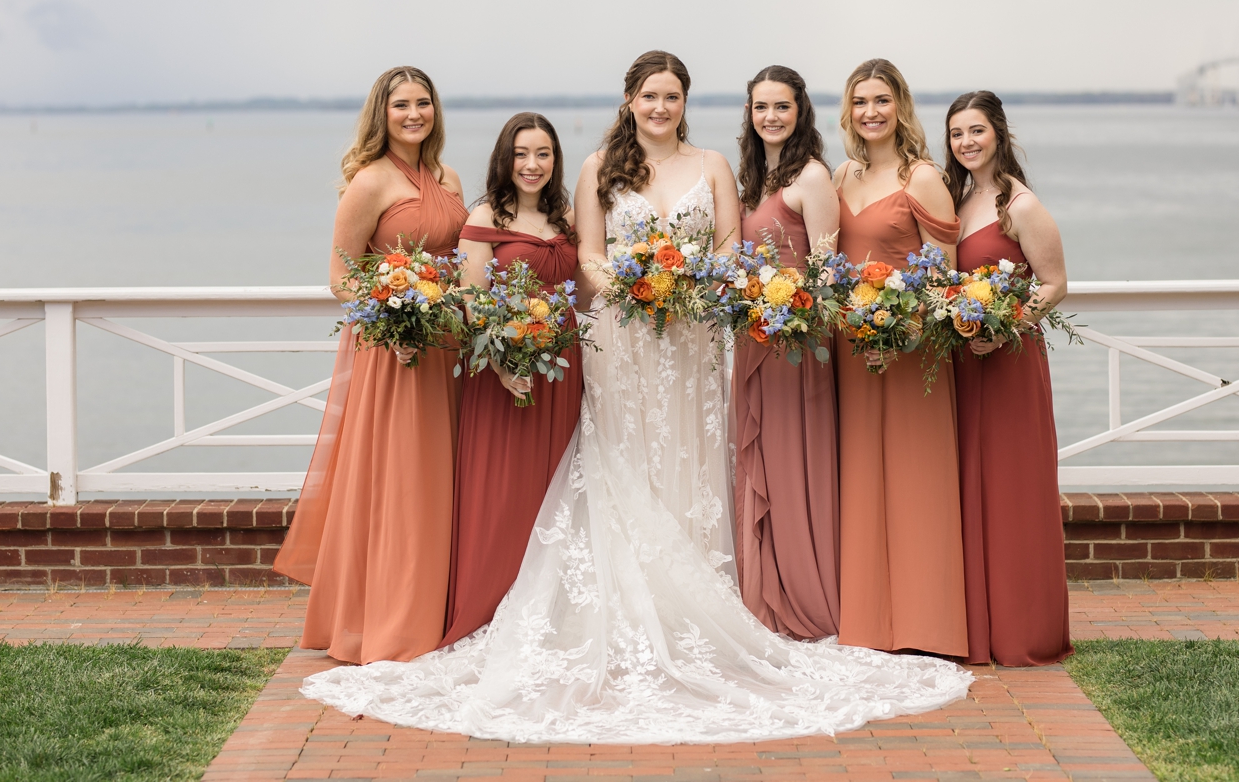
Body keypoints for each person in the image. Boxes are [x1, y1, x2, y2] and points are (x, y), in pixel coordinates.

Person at [296, 51, 971, 744]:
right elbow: (587, 257)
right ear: (629, 99)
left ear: (685, 102)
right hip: (623, 338)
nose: (660, 107)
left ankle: (702, 601)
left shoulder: (712, 165)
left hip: (695, 338)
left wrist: (686, 286)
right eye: (649, 95)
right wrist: (634, 283)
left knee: (696, 463)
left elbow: (733, 248)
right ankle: (625, 603)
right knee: (622, 459)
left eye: (672, 96)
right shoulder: (595, 169)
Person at [274, 65, 467, 665]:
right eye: (402, 105)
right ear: (381, 114)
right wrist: (394, 315)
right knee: (400, 478)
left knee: (446, 475)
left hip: (447, 346)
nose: (414, 114)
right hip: (396, 351)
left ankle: (440, 611)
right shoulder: (369, 182)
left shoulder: (448, 176)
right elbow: (340, 277)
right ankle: (385, 619)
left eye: (424, 103)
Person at [833, 58, 968, 658]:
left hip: (910, 350)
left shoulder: (924, 178)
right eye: (860, 101)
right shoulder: (842, 176)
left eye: (881, 100)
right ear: (848, 110)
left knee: (916, 474)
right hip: (852, 346)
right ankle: (866, 619)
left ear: (900, 106)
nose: (870, 112)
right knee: (860, 473)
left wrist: (901, 329)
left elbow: (946, 276)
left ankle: (924, 622)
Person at [441, 112, 584, 647]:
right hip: (506, 372)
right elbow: (472, 298)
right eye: (521, 154)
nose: (532, 164)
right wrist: (503, 364)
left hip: (563, 368)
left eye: (543, 154)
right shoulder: (484, 215)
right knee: (504, 490)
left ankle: (552, 613)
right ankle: (490, 606)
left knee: (559, 486)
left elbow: (585, 293)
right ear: (505, 158)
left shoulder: (568, 217)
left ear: (555, 160)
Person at [946, 90, 1073, 666]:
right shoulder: (959, 197)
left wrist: (1006, 326)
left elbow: (1053, 283)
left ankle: (1024, 630)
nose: (966, 143)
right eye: (956, 134)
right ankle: (975, 628)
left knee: (1012, 488)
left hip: (1009, 361)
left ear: (998, 132)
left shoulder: (1019, 205)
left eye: (976, 131)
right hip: (964, 361)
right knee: (970, 487)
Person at [732, 65, 841, 640]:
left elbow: (826, 270)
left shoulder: (812, 178)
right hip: (754, 340)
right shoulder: (755, 178)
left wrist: (791, 316)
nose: (770, 117)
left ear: (800, 113)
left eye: (781, 107)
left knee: (795, 465)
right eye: (760, 107)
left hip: (799, 346)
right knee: (760, 463)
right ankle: (763, 592)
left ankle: (803, 593)